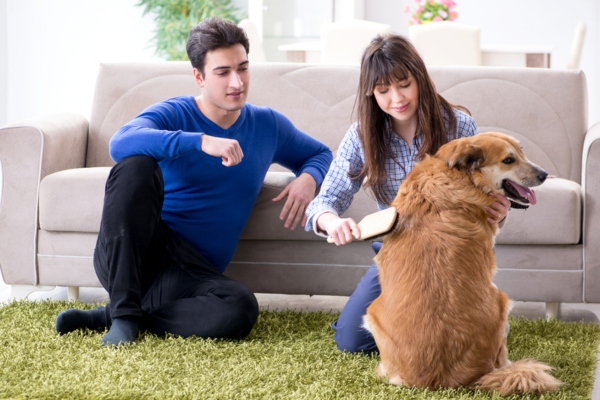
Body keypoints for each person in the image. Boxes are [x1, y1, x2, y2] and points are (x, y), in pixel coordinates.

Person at [55, 17, 333, 346]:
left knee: (241, 307)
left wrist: (308, 179)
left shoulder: (267, 125)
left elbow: (320, 153)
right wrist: (200, 141)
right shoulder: (176, 113)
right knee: (135, 167)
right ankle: (124, 316)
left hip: (191, 274)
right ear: (199, 77)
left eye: (243, 68)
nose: (237, 82)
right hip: (136, 255)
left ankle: (117, 314)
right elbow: (120, 143)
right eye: (223, 72)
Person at [305, 33, 510, 354]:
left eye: (404, 84)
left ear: (420, 78)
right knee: (351, 340)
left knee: (471, 337)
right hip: (397, 253)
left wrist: (497, 210)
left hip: (454, 252)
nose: (396, 98)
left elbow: (483, 196)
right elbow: (325, 201)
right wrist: (331, 222)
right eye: (383, 90)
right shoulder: (362, 135)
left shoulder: (461, 127)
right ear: (371, 93)